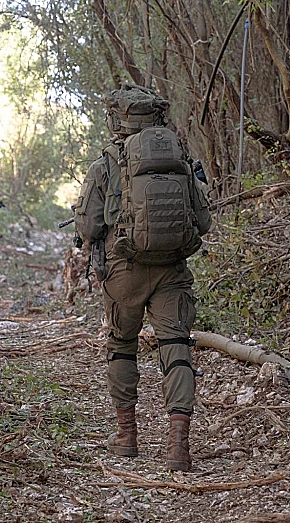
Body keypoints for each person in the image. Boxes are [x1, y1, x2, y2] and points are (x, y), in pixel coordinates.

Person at [74, 84, 211, 471]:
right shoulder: (180, 160)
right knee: (176, 346)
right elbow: (203, 220)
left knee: (121, 345)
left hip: (124, 272)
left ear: (118, 120)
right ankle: (178, 446)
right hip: (172, 269)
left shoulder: (106, 163)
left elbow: (88, 225)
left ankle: (127, 436)